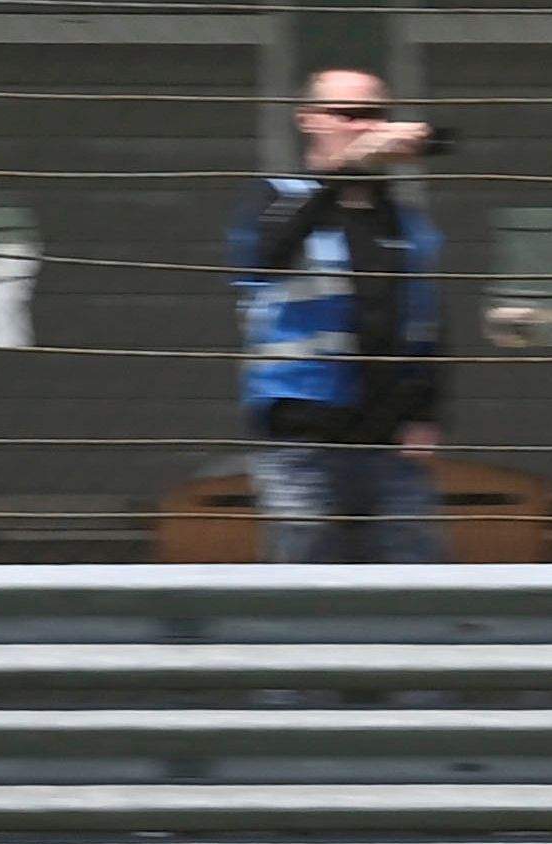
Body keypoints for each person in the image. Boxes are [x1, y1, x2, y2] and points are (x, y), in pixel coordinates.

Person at [228, 68, 447, 564]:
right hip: (302, 432)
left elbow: (428, 321)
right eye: (347, 114)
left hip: (391, 438)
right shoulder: (276, 197)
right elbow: (264, 259)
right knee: (305, 575)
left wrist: (426, 412)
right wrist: (342, 170)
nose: (364, 126)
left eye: (376, 115)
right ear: (308, 119)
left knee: (414, 578)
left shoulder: (403, 219)